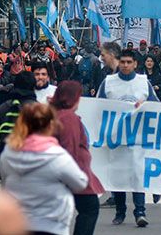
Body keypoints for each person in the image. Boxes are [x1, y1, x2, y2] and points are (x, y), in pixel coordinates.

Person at [0, 103, 88, 235]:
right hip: (52, 224)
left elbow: (5, 181)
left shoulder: (8, 153)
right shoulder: (56, 156)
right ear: (51, 125)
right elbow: (80, 183)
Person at [97, 49, 158, 227]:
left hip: (138, 139)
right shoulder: (108, 83)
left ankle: (140, 212)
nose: (125, 65)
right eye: (122, 62)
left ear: (135, 64)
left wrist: (144, 106)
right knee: (119, 177)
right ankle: (120, 211)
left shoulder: (143, 82)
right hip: (116, 139)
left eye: (129, 62)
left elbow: (156, 106)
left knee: (138, 175)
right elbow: (98, 105)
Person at [51, 82, 105, 235]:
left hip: (67, 173)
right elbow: (70, 148)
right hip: (75, 173)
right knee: (90, 209)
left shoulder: (59, 114)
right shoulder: (68, 117)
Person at [0, 72, 38, 178]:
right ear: (34, 87)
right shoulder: (40, 111)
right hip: (35, 168)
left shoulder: (2, 109)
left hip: (7, 167)